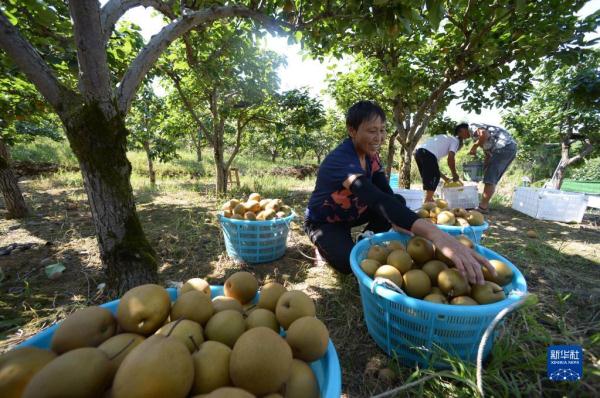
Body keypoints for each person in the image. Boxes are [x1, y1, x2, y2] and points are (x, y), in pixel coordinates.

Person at [304, 100, 494, 284]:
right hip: (326, 221)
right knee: (348, 265)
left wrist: (402, 220)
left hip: (354, 214)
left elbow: (386, 194)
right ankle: (323, 246)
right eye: (372, 131)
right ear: (352, 130)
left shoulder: (371, 156)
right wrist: (438, 236)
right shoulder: (342, 159)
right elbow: (376, 199)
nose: (379, 137)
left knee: (397, 201)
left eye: (382, 130)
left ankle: (363, 241)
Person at [464, 123, 518, 213]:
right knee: (489, 175)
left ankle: (483, 207)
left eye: (461, 135)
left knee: (490, 177)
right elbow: (488, 155)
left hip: (504, 147)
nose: (464, 138)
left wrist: (474, 146)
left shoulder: (472, 126)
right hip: (508, 148)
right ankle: (483, 205)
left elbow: (484, 134)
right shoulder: (482, 140)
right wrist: (483, 169)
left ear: (462, 130)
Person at [414, 124, 471, 203]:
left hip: (418, 152)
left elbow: (435, 169)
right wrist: (454, 174)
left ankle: (429, 199)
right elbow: (450, 158)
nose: (455, 150)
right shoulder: (455, 141)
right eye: (457, 150)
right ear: (461, 131)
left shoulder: (442, 144)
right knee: (434, 176)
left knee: (429, 176)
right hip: (426, 153)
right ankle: (428, 200)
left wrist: (445, 179)